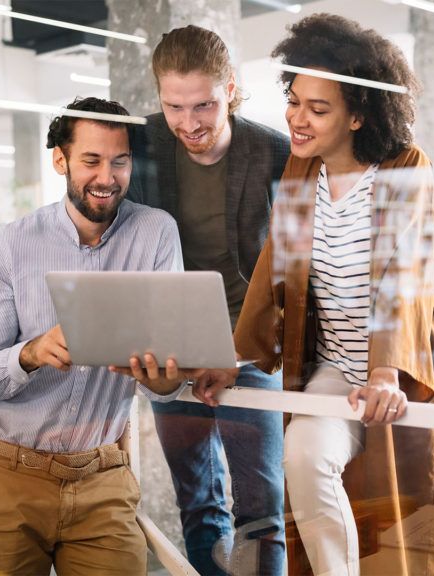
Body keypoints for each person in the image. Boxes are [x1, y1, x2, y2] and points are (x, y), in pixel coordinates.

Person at [194, 14, 434, 576]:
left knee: (412, 524)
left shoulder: (403, 166)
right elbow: (278, 269)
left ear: (359, 113)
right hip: (336, 365)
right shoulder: (301, 171)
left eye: (318, 110)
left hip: (409, 365)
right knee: (304, 456)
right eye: (294, 101)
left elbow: (404, 275)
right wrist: (233, 358)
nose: (297, 119)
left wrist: (388, 371)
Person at [0, 97, 195, 575]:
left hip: (103, 480)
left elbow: (162, 382)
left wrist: (168, 376)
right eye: (91, 160)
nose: (107, 177)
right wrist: (30, 353)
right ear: (61, 160)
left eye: (119, 161)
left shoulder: (156, 234)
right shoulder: (11, 244)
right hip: (9, 477)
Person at [127, 25, 290, 576]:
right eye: (175, 106)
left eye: (204, 105)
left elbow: (297, 270)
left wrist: (245, 351)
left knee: (262, 509)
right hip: (174, 340)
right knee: (197, 501)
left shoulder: (273, 151)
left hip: (250, 344)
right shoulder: (141, 144)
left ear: (231, 89)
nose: (189, 123)